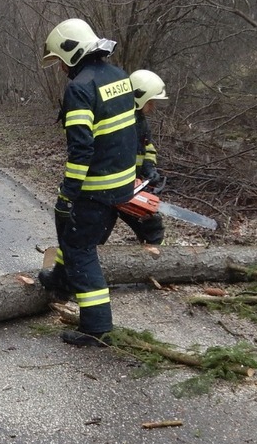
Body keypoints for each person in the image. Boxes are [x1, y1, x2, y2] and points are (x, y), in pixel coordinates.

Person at [37, 18, 138, 347]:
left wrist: (68, 194)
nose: (62, 69)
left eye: (61, 62)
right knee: (70, 231)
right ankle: (62, 281)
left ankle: (97, 327)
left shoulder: (80, 88)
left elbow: (81, 150)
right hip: (121, 183)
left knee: (80, 248)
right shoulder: (119, 76)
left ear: (72, 52)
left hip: (97, 186)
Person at [116, 69, 169, 245]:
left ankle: (150, 261)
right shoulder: (119, 120)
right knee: (95, 232)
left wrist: (149, 168)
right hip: (112, 186)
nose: (152, 107)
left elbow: (148, 147)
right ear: (138, 96)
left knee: (152, 225)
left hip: (131, 185)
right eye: (150, 102)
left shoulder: (141, 122)